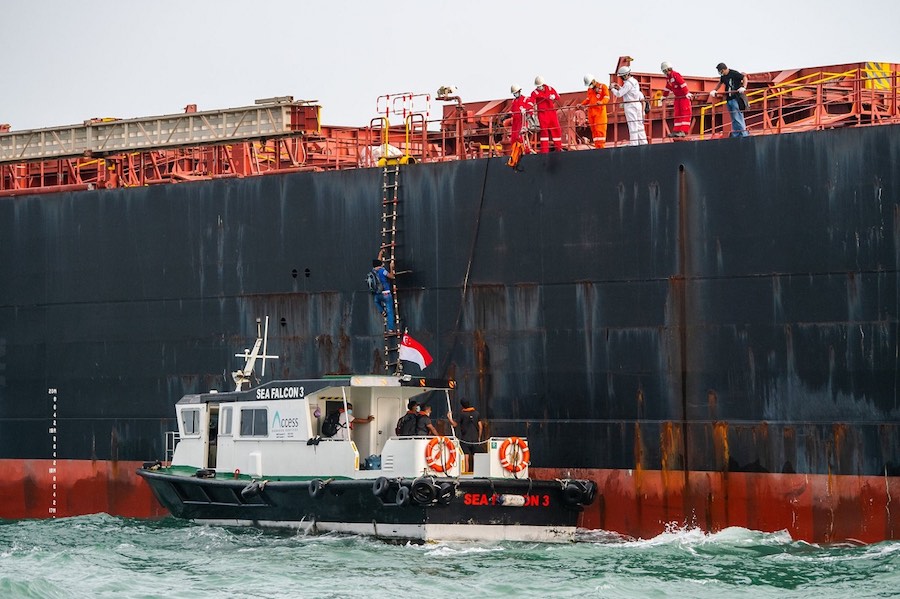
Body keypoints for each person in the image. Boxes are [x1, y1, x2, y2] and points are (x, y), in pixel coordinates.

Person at [709, 62, 749, 138]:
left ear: (724, 69)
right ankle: (736, 134)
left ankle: (743, 134)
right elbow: (720, 83)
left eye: (721, 71)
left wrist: (744, 87)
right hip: (729, 99)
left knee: (738, 117)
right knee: (733, 118)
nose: (721, 73)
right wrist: (715, 90)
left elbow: (744, 78)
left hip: (736, 98)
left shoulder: (734, 73)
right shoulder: (724, 76)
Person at [610, 66, 648, 146]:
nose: (621, 78)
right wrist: (619, 87)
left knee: (632, 125)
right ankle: (644, 143)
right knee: (639, 125)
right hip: (637, 104)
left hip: (630, 106)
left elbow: (619, 94)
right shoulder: (634, 81)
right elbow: (629, 92)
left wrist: (612, 89)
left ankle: (634, 143)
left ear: (625, 75)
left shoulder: (628, 83)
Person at [447, 399, 483, 473]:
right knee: (475, 456)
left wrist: (449, 418)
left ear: (462, 405)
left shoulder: (462, 414)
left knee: (466, 456)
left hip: (465, 438)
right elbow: (480, 426)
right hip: (475, 438)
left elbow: (455, 424)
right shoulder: (476, 413)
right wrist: (479, 437)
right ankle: (477, 472)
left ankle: (466, 473)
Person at [660, 61, 694, 138]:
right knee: (677, 114)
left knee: (685, 113)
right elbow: (667, 88)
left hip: (684, 97)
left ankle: (683, 131)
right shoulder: (669, 79)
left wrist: (687, 93)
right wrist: (664, 96)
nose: (665, 73)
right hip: (677, 98)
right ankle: (676, 130)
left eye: (665, 71)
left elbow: (682, 83)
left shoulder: (675, 75)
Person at [530, 76, 563, 153]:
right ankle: (544, 151)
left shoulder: (550, 89)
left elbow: (558, 97)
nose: (539, 87)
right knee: (544, 132)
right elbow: (531, 102)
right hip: (542, 114)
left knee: (556, 129)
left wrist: (554, 96)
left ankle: (558, 148)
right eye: (538, 86)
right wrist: (529, 109)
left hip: (551, 113)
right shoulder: (534, 93)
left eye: (540, 86)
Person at [580, 74, 610, 148]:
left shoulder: (603, 87)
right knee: (594, 130)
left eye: (590, 84)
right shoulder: (590, 90)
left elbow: (607, 97)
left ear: (593, 81)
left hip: (600, 112)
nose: (589, 86)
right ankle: (597, 146)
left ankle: (601, 147)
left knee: (600, 130)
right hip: (591, 112)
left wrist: (601, 102)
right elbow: (588, 99)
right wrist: (581, 104)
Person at [371, 255, 395, 331]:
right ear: (380, 265)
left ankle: (382, 311)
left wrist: (380, 253)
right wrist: (391, 267)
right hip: (386, 293)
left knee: (376, 301)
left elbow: (378, 261)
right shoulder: (382, 271)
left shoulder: (373, 271)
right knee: (390, 311)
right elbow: (392, 276)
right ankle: (390, 329)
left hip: (378, 294)